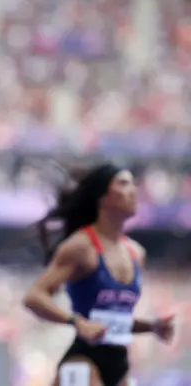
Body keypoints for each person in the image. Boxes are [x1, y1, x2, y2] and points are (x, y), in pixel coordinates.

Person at [22, 163, 175, 386]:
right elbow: (34, 297)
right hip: (83, 360)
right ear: (102, 197)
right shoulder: (81, 246)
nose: (134, 190)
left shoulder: (136, 253)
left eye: (134, 183)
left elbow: (115, 320)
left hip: (120, 362)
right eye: (123, 183)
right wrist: (76, 321)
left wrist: (153, 327)